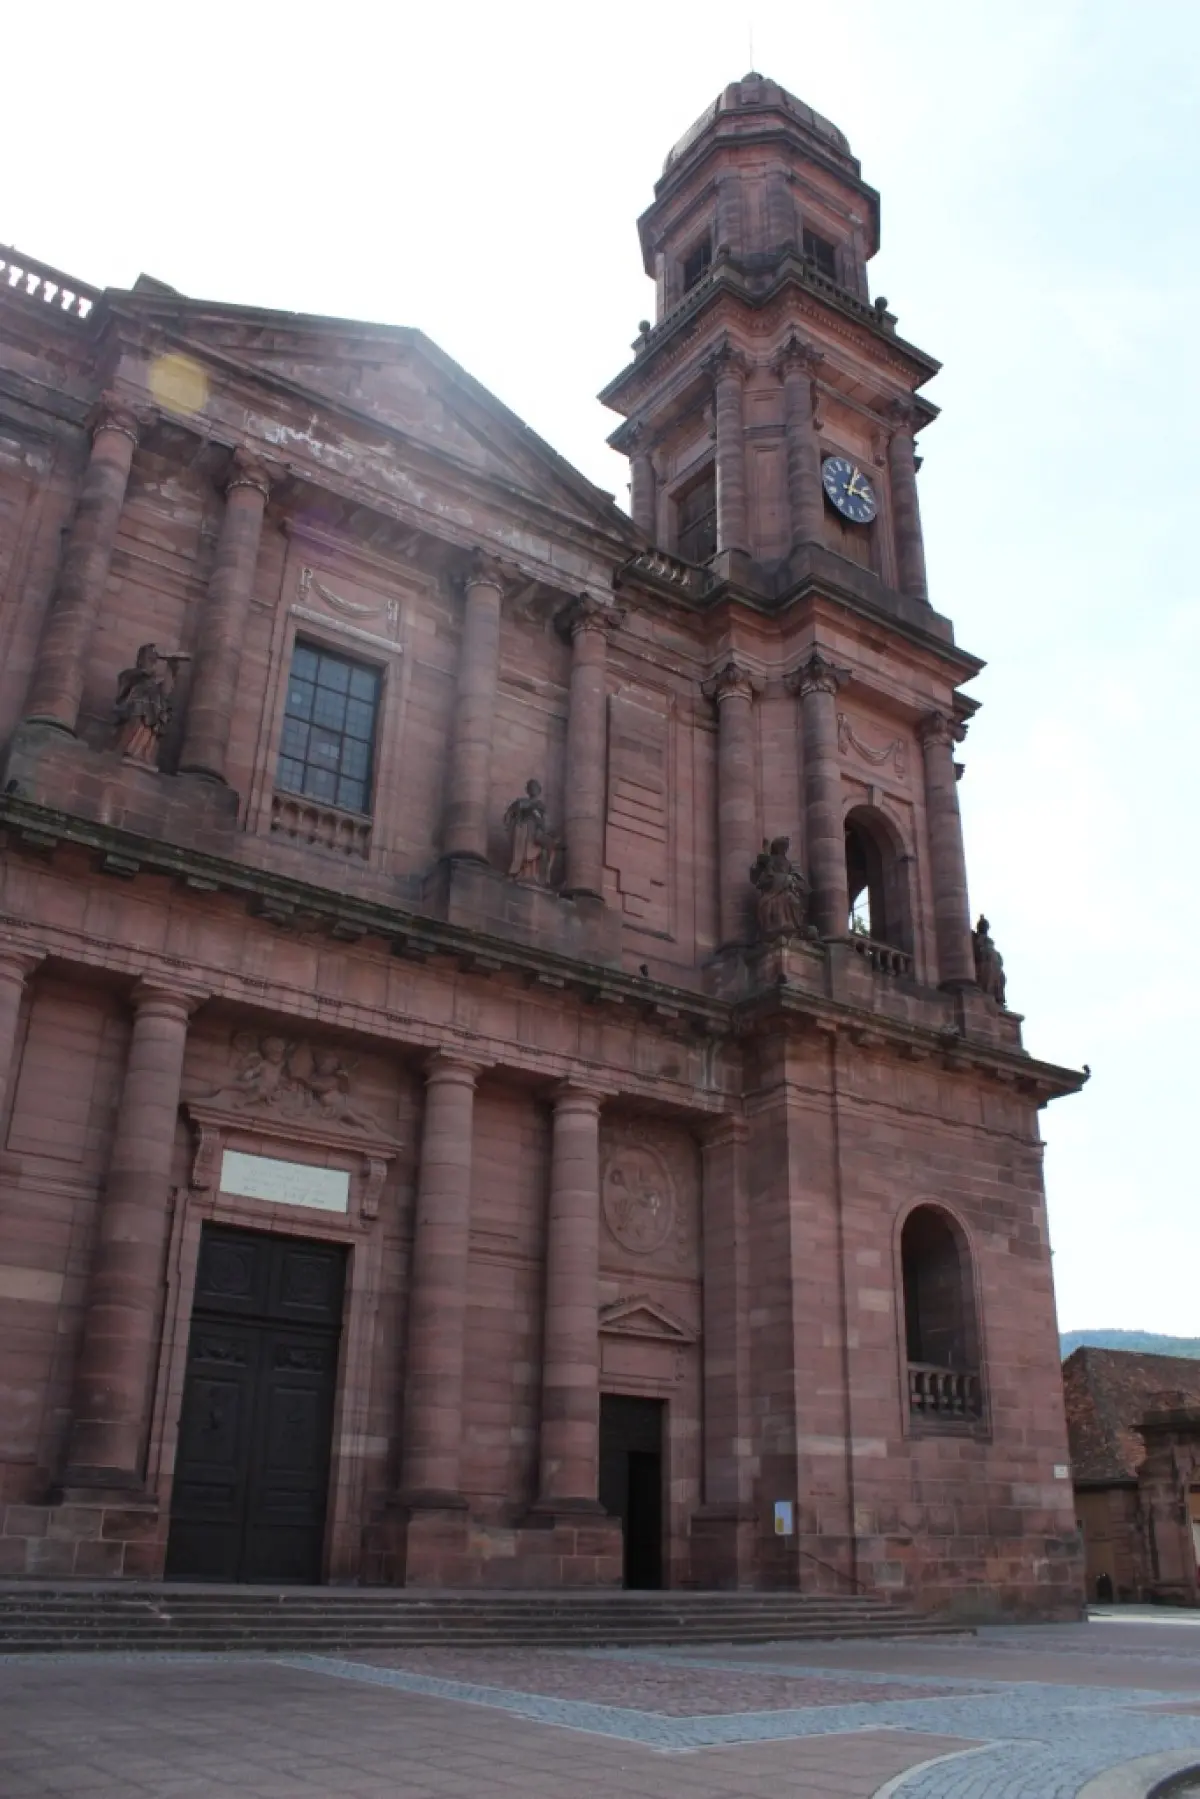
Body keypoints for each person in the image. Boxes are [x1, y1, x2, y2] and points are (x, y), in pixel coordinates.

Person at [113, 642, 189, 766]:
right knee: (141, 710)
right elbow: (127, 684)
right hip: (135, 709)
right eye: (149, 657)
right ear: (141, 659)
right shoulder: (130, 675)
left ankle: (142, 753)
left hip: (151, 714)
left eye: (153, 659)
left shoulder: (154, 685)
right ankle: (131, 749)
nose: (152, 662)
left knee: (155, 715)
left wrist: (171, 667)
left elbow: (166, 691)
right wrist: (147, 672)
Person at [504, 779, 556, 885]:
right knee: (525, 849)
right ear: (527, 790)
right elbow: (508, 816)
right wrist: (515, 821)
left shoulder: (541, 806)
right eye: (531, 787)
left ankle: (538, 876)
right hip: (524, 830)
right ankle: (520, 872)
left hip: (537, 831)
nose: (533, 789)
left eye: (535, 787)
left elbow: (545, 822)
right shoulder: (521, 802)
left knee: (547, 848)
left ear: (539, 790)